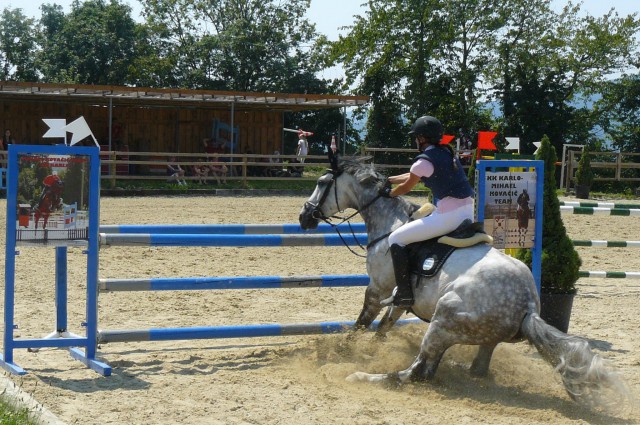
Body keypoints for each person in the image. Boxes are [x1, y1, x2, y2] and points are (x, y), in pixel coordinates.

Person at [379, 116, 474, 307]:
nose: (415, 140)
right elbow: (412, 175)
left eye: (416, 137)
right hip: (468, 212)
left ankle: (404, 294)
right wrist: (389, 179)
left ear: (422, 138)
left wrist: (389, 193)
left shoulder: (423, 161)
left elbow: (406, 187)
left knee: (395, 239)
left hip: (448, 217)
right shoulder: (446, 152)